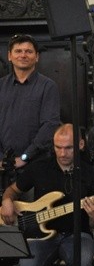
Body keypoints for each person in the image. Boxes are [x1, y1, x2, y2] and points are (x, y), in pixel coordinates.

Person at [0, 123, 94, 266]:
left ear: (81, 145)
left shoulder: (91, 174)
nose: (62, 153)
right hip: (41, 237)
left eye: (68, 148)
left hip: (78, 235)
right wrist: (7, 201)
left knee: (82, 263)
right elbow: (12, 190)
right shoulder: (40, 167)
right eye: (58, 147)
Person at [0, 34, 60, 173]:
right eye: (18, 51)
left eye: (28, 51)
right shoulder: (1, 86)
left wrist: (25, 157)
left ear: (37, 56)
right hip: (2, 165)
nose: (23, 55)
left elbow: (50, 125)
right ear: (9, 56)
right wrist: (2, 158)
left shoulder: (48, 86)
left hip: (36, 164)